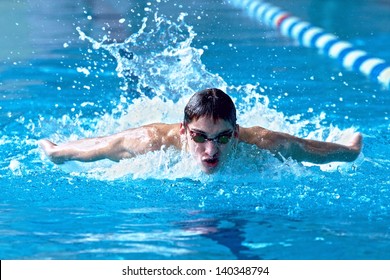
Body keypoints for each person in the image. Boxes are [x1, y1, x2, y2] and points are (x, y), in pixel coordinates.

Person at [39, 88, 362, 174]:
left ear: (235, 133)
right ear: (184, 131)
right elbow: (93, 147)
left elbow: (318, 151)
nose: (211, 151)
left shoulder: (264, 143)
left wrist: (349, 151)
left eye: (222, 138)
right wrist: (55, 151)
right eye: (199, 137)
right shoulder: (148, 143)